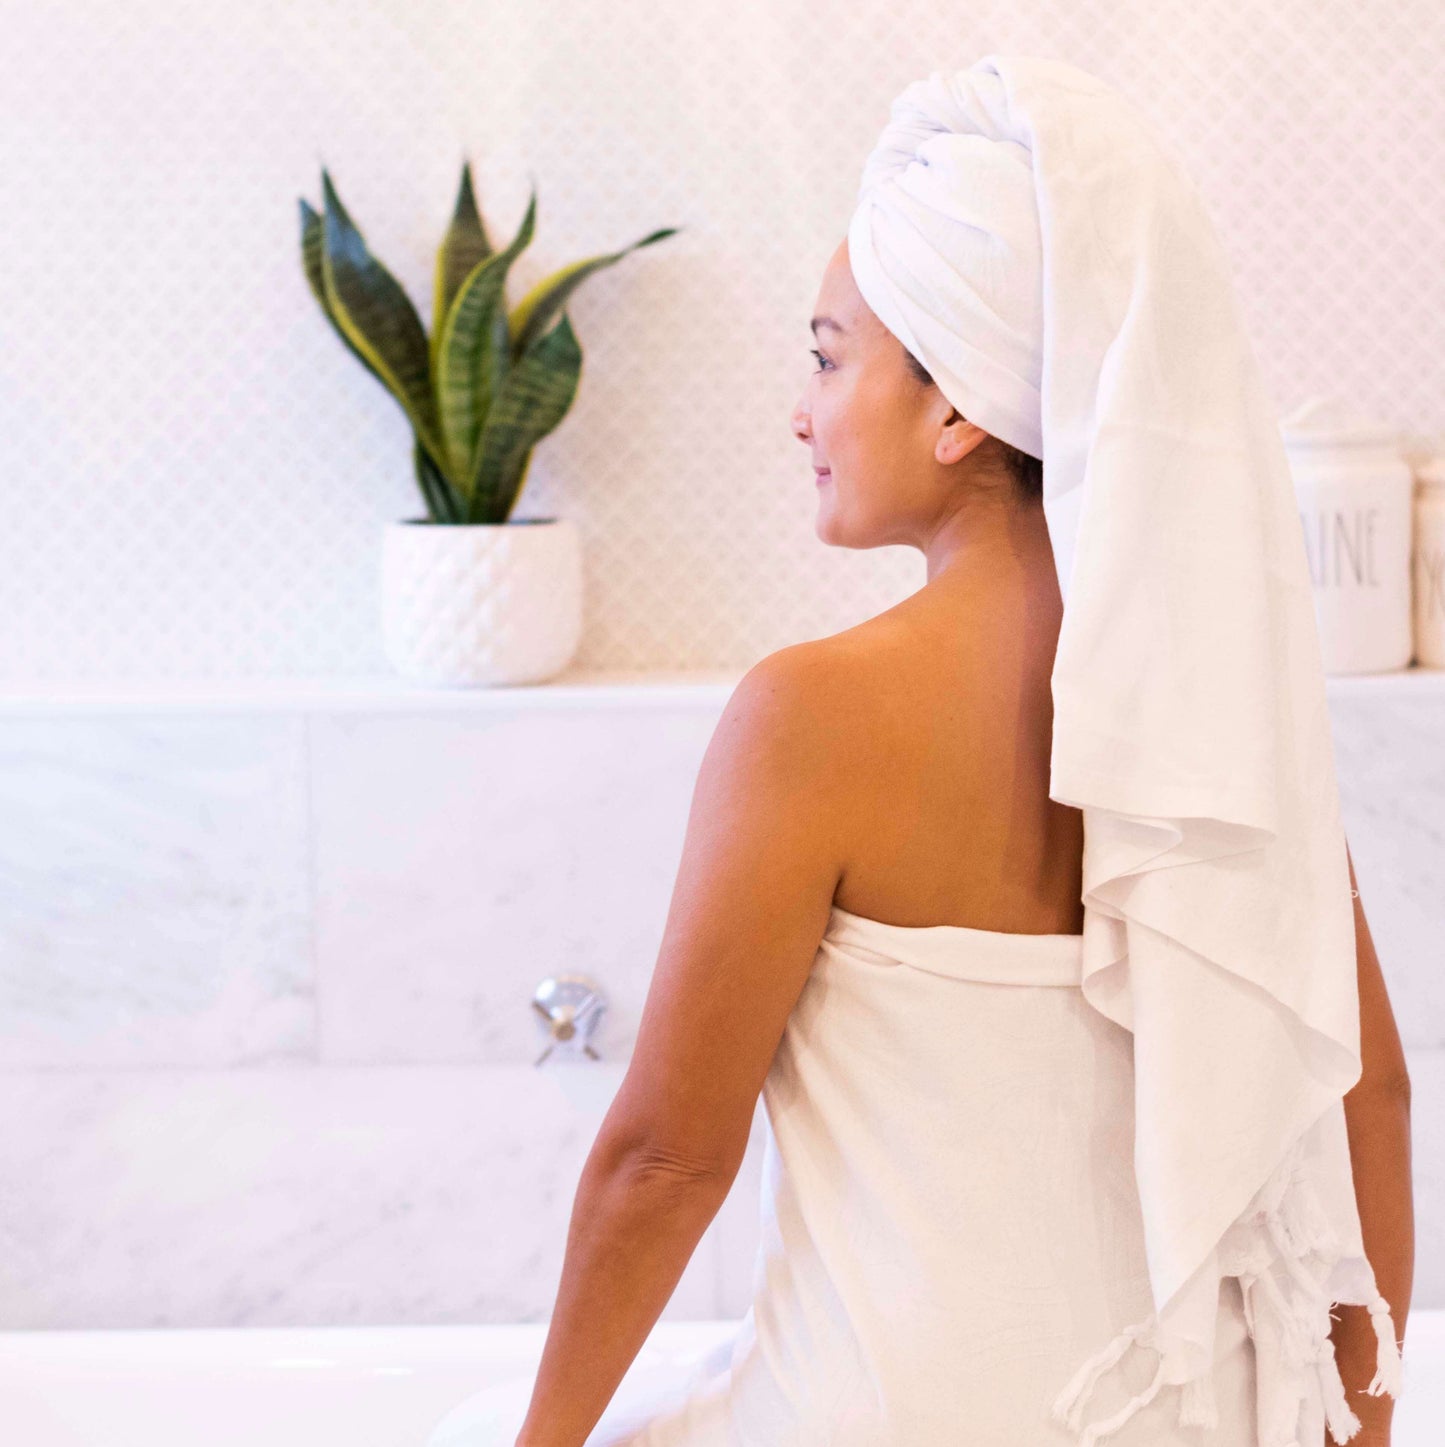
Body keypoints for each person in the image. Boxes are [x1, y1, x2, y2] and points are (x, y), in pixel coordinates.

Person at [426, 55, 1413, 1447]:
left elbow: (662, 1160)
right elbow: (1368, 1090)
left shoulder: (813, 715)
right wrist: (1361, 1434)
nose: (798, 412)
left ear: (956, 409)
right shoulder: (1220, 712)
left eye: (827, 358)